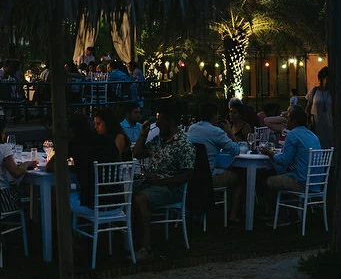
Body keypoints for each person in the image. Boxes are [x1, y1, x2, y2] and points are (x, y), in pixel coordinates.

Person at [131, 108, 195, 261]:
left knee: (140, 199)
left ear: (170, 122)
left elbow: (187, 175)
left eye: (160, 121)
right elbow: (137, 154)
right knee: (125, 192)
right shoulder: (159, 140)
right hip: (152, 183)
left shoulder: (183, 144)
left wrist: (161, 181)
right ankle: (131, 240)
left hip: (170, 187)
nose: (157, 124)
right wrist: (143, 135)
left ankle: (146, 247)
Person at [187, 102, 243, 223]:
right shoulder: (216, 132)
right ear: (214, 115)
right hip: (207, 178)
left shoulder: (192, 128)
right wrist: (229, 132)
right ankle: (233, 215)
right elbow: (236, 150)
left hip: (191, 177)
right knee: (239, 179)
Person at [65, 114, 120, 210]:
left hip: (92, 203)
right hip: (117, 200)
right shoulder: (108, 141)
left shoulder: (75, 143)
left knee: (64, 196)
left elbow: (51, 166)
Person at [264, 107, 322, 197]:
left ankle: (274, 210)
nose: (286, 121)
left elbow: (284, 160)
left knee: (265, 181)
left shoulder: (292, 135)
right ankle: (286, 208)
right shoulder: (313, 135)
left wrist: (271, 153)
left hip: (301, 182)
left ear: (294, 121)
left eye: (288, 118)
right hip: (315, 183)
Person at [307, 66, 334, 148]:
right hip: (316, 125)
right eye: (326, 78)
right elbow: (308, 107)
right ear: (321, 79)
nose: (328, 81)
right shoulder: (314, 91)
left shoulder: (333, 92)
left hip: (330, 126)